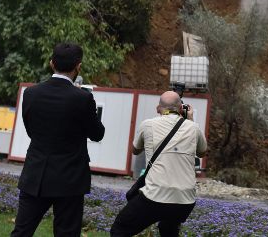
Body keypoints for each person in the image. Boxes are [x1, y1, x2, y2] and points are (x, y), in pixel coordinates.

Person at [11, 43, 105, 237]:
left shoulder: (31, 93)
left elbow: (31, 131)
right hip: (70, 177)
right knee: (67, 233)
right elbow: (97, 134)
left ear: (51, 63)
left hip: (36, 174)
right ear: (78, 66)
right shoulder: (83, 98)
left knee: (21, 231)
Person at [110, 91, 207, 237]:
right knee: (168, 229)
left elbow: (135, 150)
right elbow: (202, 152)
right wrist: (191, 119)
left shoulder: (148, 125)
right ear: (181, 109)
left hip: (155, 196)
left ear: (158, 108)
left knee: (120, 229)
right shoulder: (194, 127)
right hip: (185, 199)